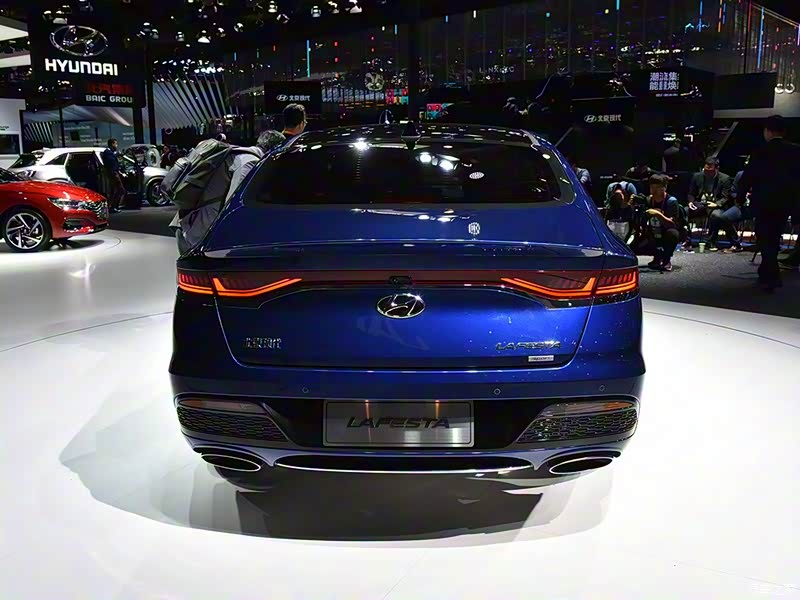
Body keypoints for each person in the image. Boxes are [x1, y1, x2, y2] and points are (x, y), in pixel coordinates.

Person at [171, 130, 286, 253]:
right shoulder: (249, 162)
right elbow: (235, 205)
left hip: (190, 223)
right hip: (199, 232)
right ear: (275, 150)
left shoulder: (239, 154)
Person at [737, 115, 800, 291]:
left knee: (765, 237)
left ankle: (772, 275)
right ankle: (766, 272)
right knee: (774, 235)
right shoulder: (796, 151)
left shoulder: (761, 150)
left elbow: (748, 177)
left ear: (768, 131)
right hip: (786, 202)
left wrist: (740, 197)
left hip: (763, 202)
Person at [631, 174, 682, 272]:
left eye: (658, 187)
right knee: (635, 247)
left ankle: (666, 260)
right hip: (652, 233)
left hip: (666, 233)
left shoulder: (671, 201)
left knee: (672, 234)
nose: (654, 190)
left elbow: (673, 224)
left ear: (665, 187)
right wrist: (632, 205)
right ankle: (657, 256)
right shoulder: (648, 200)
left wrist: (658, 214)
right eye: (652, 187)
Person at [101, 138, 125, 213]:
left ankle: (113, 206)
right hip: (113, 174)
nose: (116, 145)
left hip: (114, 174)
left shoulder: (110, 153)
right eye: (116, 144)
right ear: (112, 144)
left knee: (114, 190)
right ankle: (114, 206)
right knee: (120, 190)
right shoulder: (108, 153)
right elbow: (111, 164)